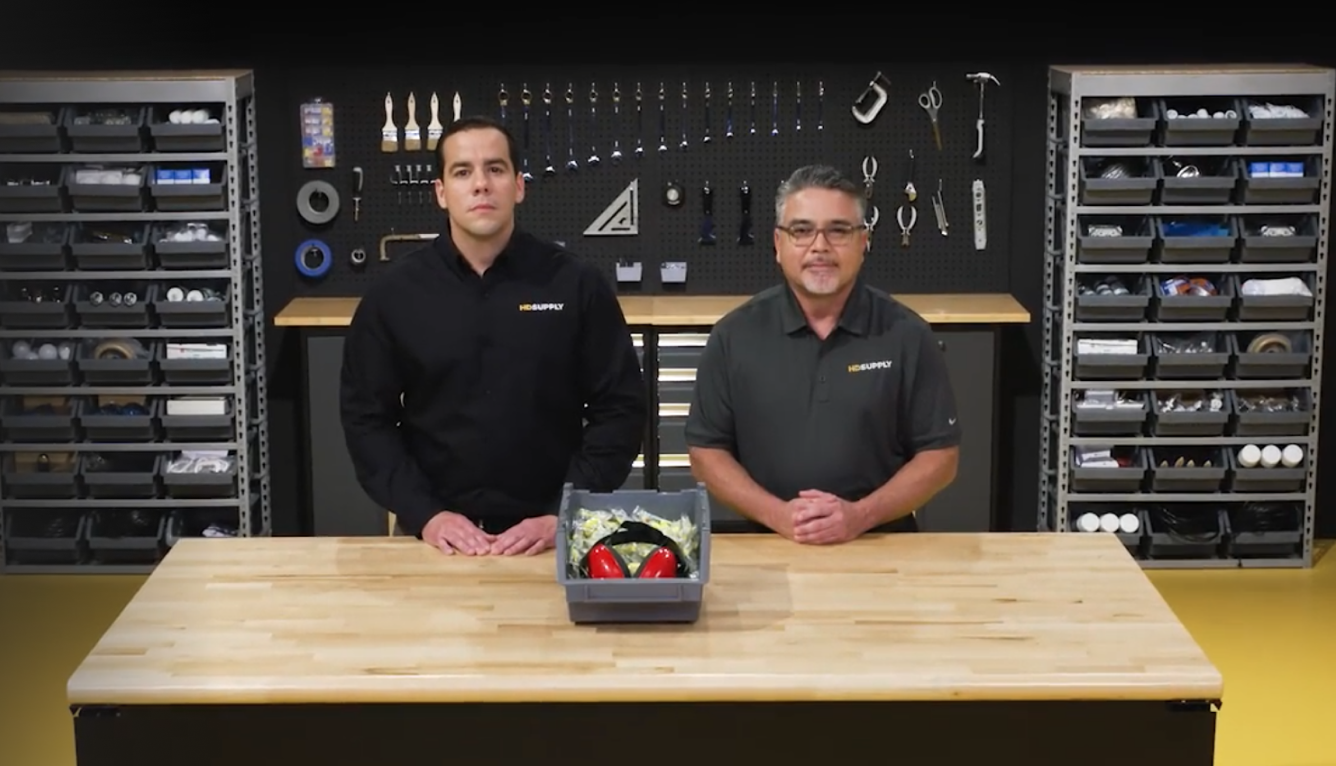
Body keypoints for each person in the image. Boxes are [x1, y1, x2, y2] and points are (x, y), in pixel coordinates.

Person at [339, 115, 647, 556]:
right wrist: (426, 514)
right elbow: (366, 419)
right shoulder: (393, 296)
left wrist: (565, 510)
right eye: (462, 172)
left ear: (519, 186)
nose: (481, 184)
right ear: (441, 192)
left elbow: (621, 409)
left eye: (495, 169)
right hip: (435, 542)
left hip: (550, 539)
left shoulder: (575, 285)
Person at [683, 164, 960, 545]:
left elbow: (941, 457)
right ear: (778, 244)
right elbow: (706, 452)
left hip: (881, 547)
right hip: (768, 544)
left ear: (863, 242)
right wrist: (779, 516)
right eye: (802, 230)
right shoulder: (733, 337)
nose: (820, 246)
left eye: (838, 230)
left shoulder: (907, 335)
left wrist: (860, 516)